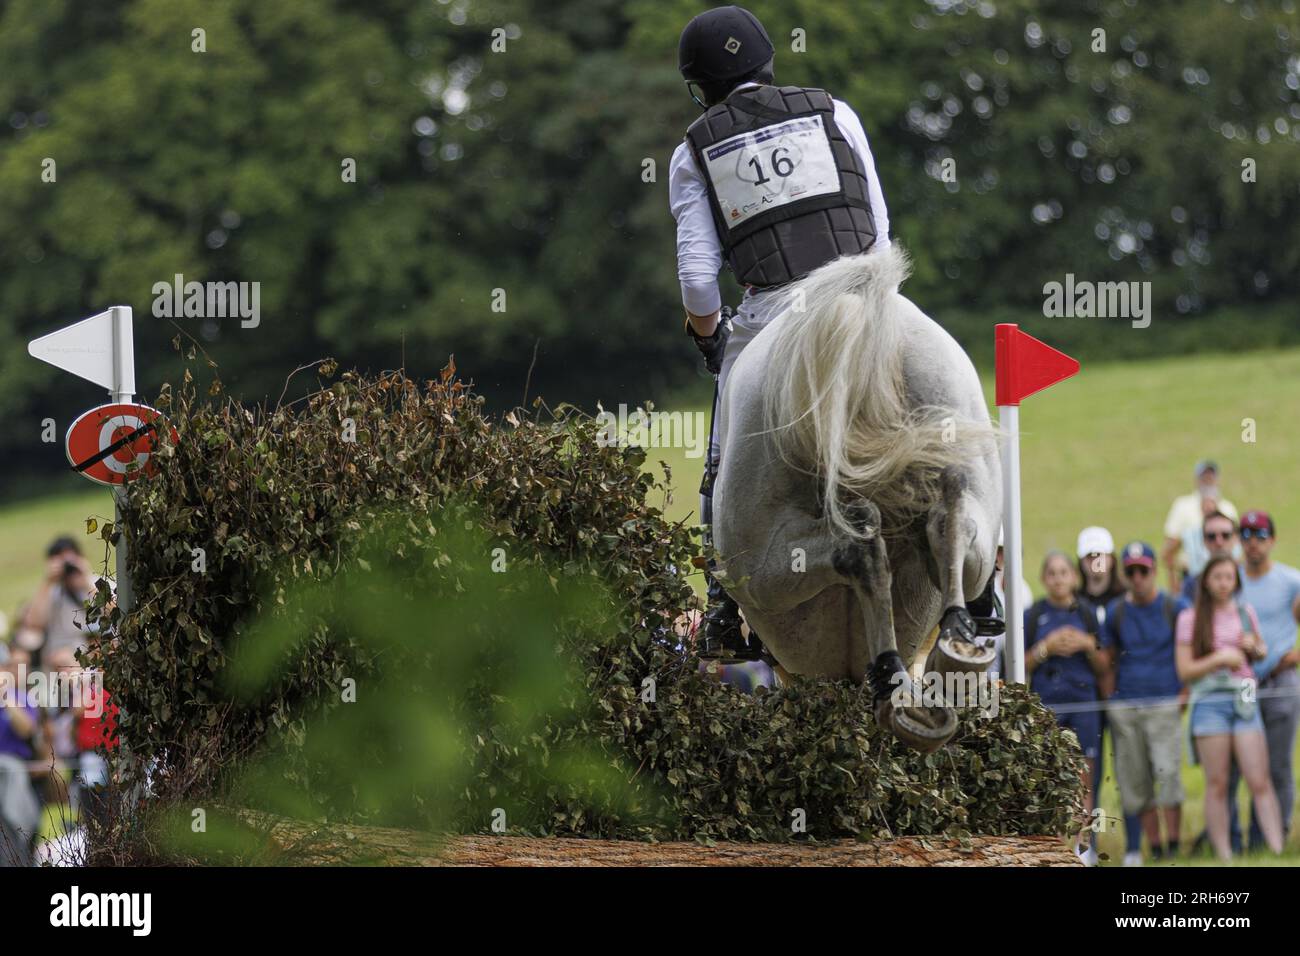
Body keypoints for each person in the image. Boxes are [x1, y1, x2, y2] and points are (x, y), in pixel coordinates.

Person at [670, 5, 891, 656]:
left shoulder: (694, 149)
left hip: (773, 313)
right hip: (864, 292)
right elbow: (877, 226)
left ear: (701, 86)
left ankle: (721, 607)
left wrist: (711, 338)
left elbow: (697, 282)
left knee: (719, 454)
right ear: (769, 61)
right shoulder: (836, 111)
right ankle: (979, 584)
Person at [1175, 555, 1283, 860]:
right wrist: (1220, 659)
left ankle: (1276, 850)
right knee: (1217, 781)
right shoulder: (1190, 619)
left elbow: (1260, 652)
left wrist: (1255, 648)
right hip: (1210, 700)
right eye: (1217, 577)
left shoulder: (1245, 612)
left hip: (1246, 695)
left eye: (1229, 577)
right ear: (1206, 581)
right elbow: (1184, 670)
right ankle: (1224, 855)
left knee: (1259, 777)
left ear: (1236, 581)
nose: (1224, 583)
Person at [1099, 542, 1187, 866]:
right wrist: (1111, 701)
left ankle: (1175, 845)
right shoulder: (1116, 612)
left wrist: (1184, 692)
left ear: (1154, 571)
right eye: (1131, 571)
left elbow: (1187, 649)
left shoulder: (1173, 608)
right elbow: (1107, 660)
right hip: (1127, 706)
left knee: (1168, 776)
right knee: (1137, 781)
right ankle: (1157, 848)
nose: (1138, 578)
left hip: (1164, 700)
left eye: (1143, 571)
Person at [1024, 551, 1108, 864]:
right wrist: (1047, 647)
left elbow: (1104, 665)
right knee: (1051, 781)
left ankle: (1084, 849)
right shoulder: (1033, 615)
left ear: (1074, 577)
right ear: (1044, 579)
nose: (1059, 579)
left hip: (1085, 706)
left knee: (1086, 780)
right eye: (1052, 573)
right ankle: (1054, 849)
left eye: (1064, 572)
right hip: (1048, 708)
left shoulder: (1087, 614)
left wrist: (1086, 644)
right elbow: (1022, 664)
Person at [1235, 510, 1300, 849]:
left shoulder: (1291, 581)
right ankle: (1240, 837)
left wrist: (1294, 655)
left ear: (1272, 540)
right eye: (1245, 535)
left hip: (1281, 681)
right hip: (1241, 684)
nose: (1252, 543)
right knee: (1243, 768)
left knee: (1277, 766)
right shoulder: (1230, 580)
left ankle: (1276, 836)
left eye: (1259, 535)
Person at [1163, 461, 1237, 593]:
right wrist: (1174, 585)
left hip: (1225, 575)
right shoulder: (1183, 505)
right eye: (1204, 476)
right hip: (1192, 575)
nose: (1208, 479)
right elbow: (1169, 549)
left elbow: (1237, 547)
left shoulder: (1228, 508)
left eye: (1211, 475)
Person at [23, 537, 95, 666]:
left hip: (97, 652)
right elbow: (34, 624)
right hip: (65, 657)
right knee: (65, 659)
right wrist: (48, 582)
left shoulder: (97, 584)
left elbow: (117, 610)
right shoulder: (50, 592)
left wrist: (87, 582)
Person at [1180, 511, 1239, 604]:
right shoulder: (1192, 585)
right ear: (1204, 541)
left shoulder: (1248, 578)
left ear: (1236, 538)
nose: (1219, 542)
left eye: (1225, 535)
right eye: (1211, 536)